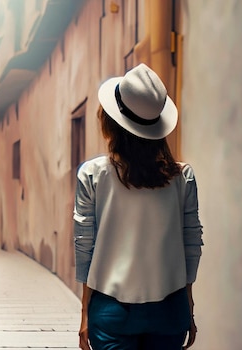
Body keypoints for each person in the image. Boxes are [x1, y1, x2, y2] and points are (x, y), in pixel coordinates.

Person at [73, 63, 203, 350]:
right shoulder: (183, 177)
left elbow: (85, 244)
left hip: (110, 310)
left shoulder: (92, 174)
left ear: (110, 121)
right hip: (170, 307)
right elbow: (191, 244)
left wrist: (85, 312)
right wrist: (188, 306)